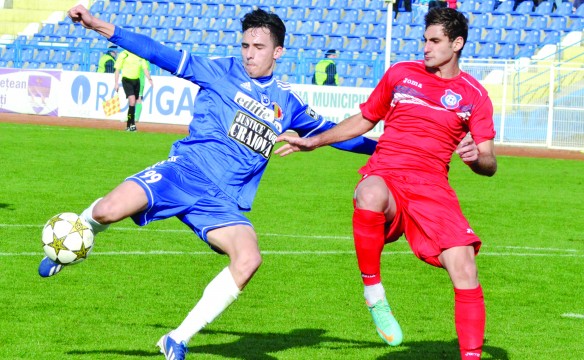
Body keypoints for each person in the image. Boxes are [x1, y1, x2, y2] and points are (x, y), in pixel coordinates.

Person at [41, 5, 377, 360]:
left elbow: (338, 134)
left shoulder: (287, 102)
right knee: (108, 211)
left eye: (259, 47)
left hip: (221, 201)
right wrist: (98, 26)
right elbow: (158, 52)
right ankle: (73, 243)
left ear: (278, 52)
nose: (249, 53)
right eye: (246, 45)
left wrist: (386, 148)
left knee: (248, 258)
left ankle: (177, 338)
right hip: (183, 172)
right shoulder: (219, 69)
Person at [276, 7, 497, 359]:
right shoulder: (400, 74)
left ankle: (470, 355)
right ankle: (374, 294)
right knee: (369, 192)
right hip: (389, 173)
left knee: (465, 267)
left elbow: (489, 161)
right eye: (424, 39)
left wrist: (476, 158)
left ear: (457, 43)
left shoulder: (475, 95)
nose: (425, 47)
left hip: (433, 188)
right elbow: (365, 118)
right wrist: (316, 141)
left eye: (435, 41)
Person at [114, 49, 152, 131]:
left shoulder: (140, 54)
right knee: (132, 100)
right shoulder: (123, 54)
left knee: (133, 102)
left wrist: (149, 79)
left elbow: (145, 68)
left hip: (137, 81)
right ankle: (132, 124)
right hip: (126, 80)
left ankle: (129, 125)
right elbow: (117, 69)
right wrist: (116, 83)